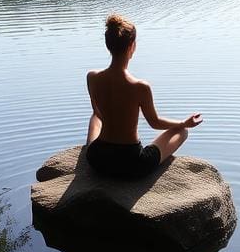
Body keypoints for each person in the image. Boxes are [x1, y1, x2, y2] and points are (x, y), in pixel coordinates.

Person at [85, 13, 202, 179]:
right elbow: (154, 122)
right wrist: (184, 123)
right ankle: (183, 127)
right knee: (182, 132)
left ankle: (89, 147)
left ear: (108, 45)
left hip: (97, 159)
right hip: (131, 164)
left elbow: (98, 112)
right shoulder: (140, 87)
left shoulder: (92, 77)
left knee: (95, 117)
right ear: (132, 46)